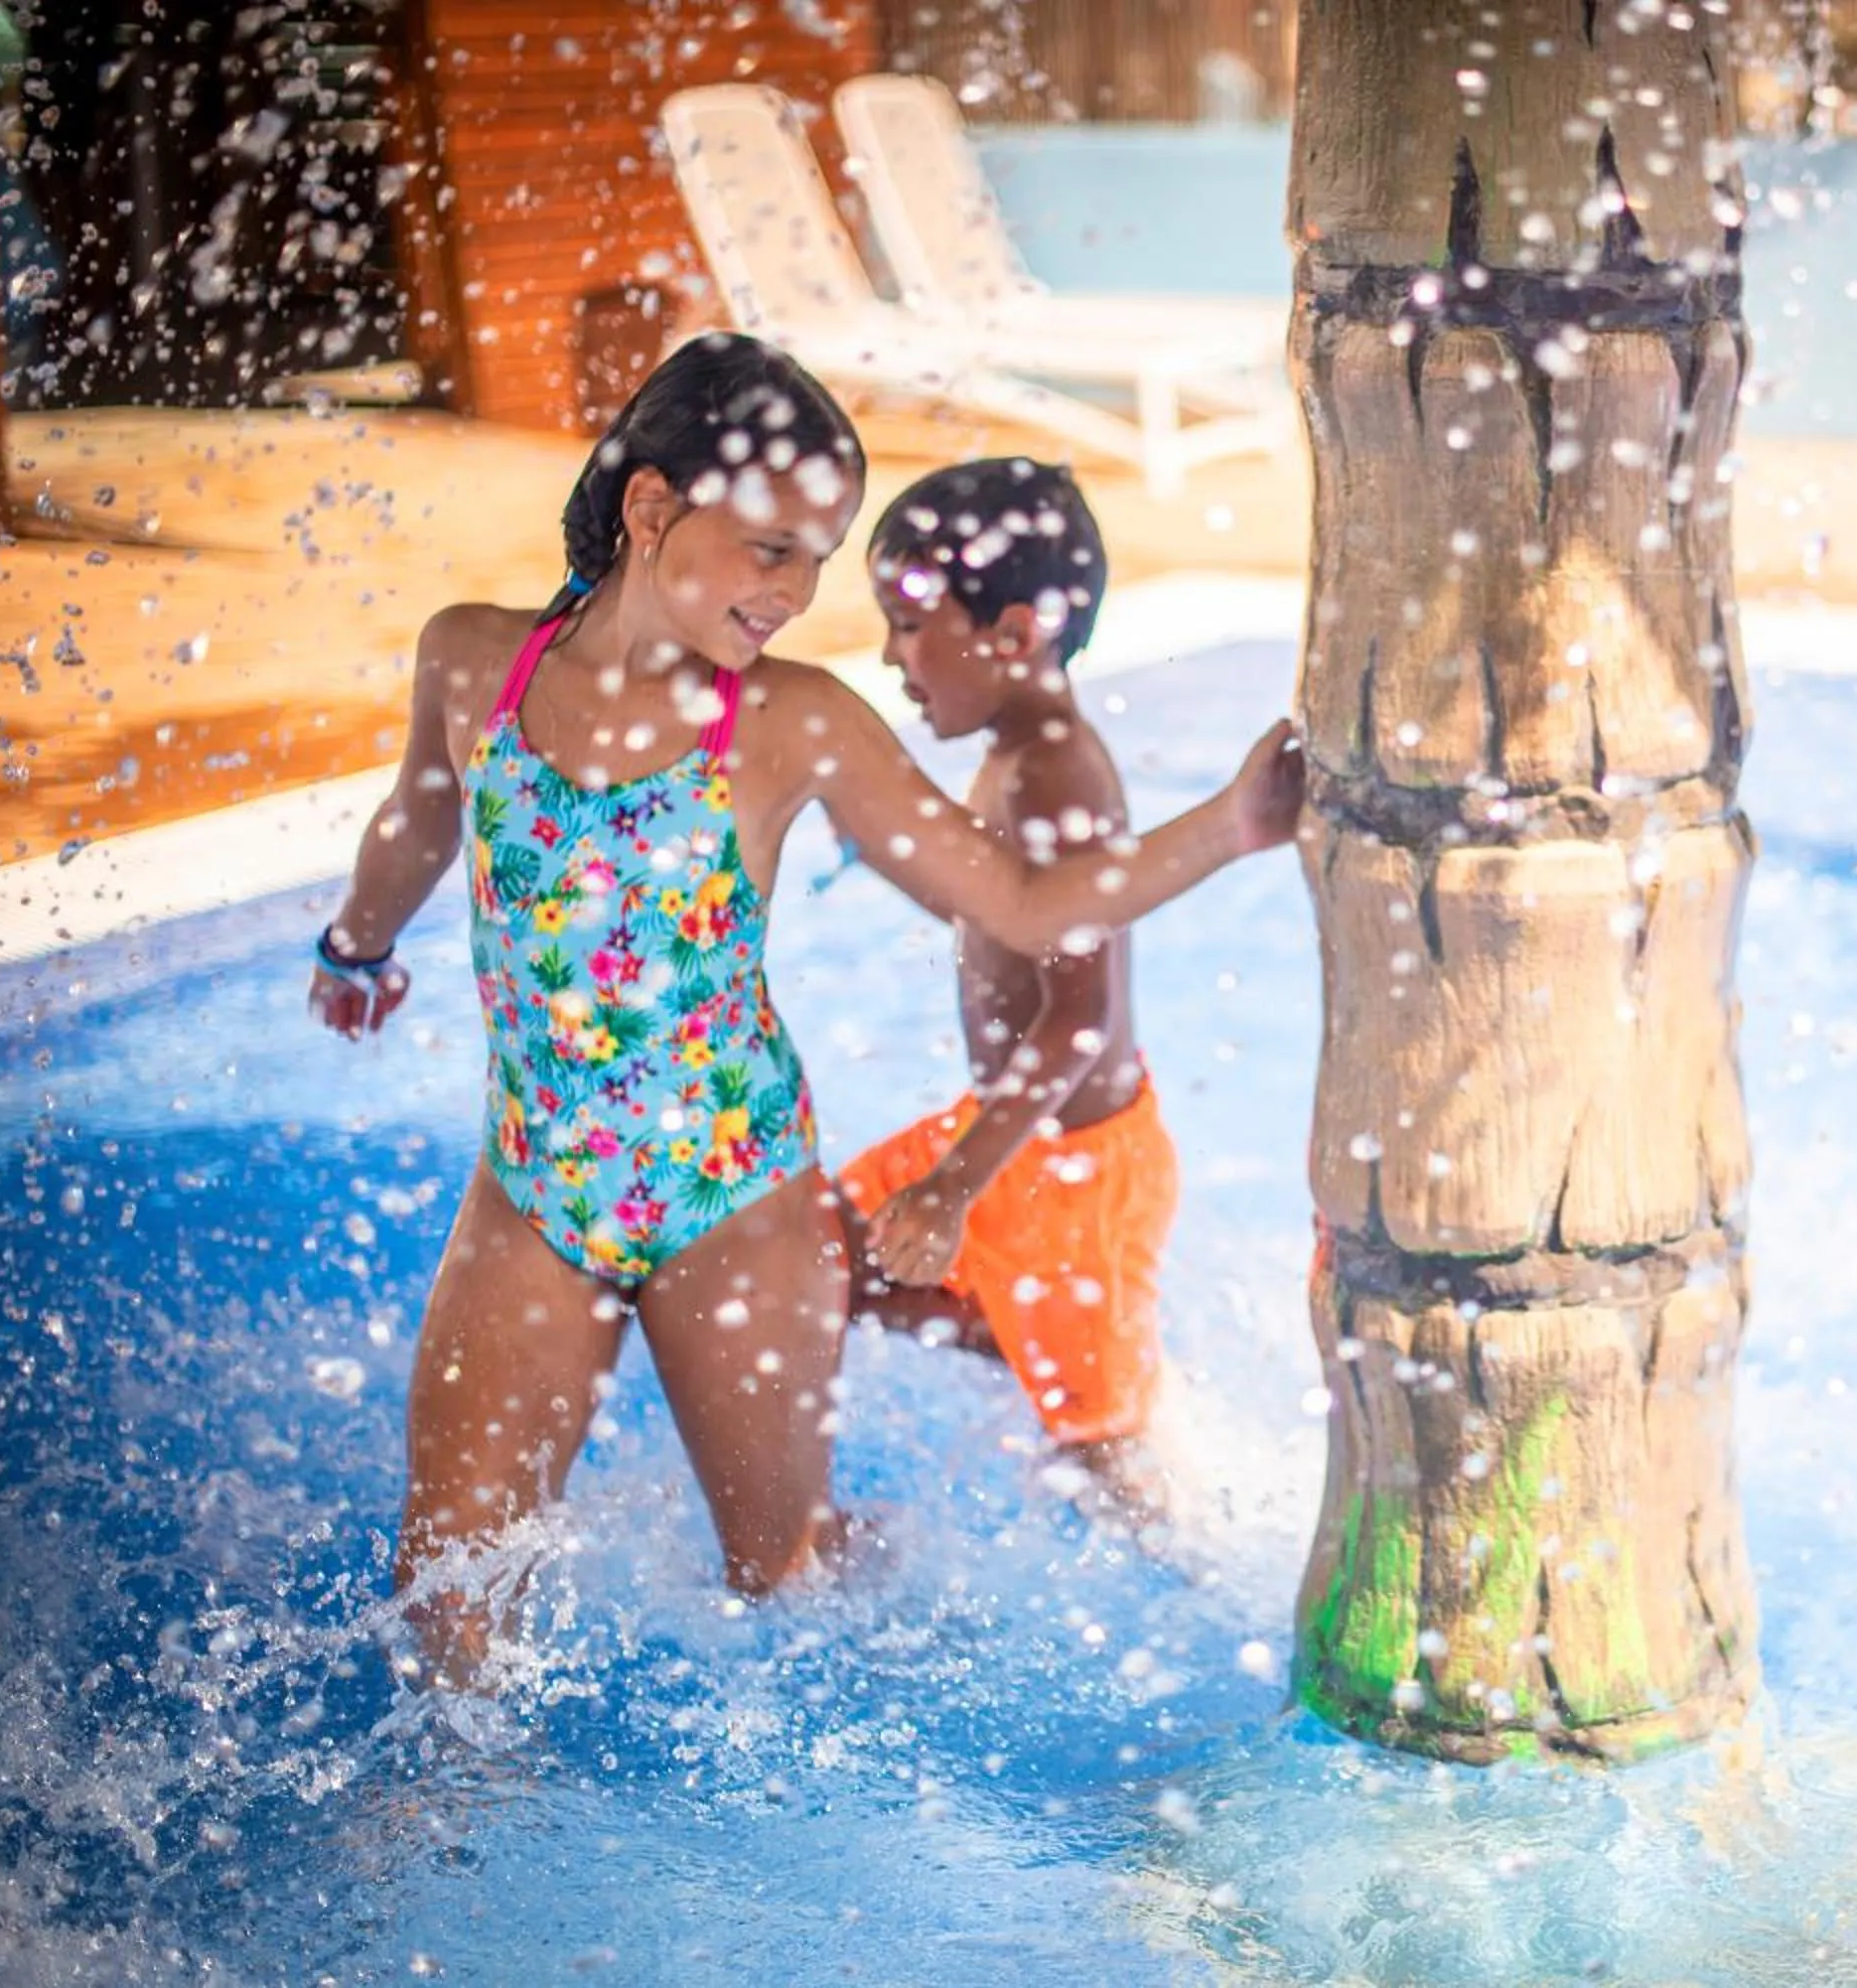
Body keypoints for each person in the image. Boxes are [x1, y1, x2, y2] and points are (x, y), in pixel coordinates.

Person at [303, 336, 1302, 1679]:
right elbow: (422, 812)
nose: (799, 590)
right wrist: (357, 943)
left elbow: (1020, 900)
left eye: (818, 557)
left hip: (736, 1201)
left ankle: (916, 1593)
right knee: (445, 1593)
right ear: (653, 507)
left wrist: (1232, 827)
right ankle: (451, 1821)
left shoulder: (793, 721)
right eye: (773, 547)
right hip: (533, 1188)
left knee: (779, 1583)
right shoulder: (475, 659)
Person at [830, 463, 1185, 1499]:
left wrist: (950, 1186)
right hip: (1007, 1137)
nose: (893, 656)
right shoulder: (1014, 751)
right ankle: (996, 1322)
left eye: (908, 623)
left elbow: (1081, 1014)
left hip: (1070, 1172)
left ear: (1015, 635)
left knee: (1109, 1468)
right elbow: (990, 916)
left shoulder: (1057, 772)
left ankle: (1195, 1544)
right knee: (816, 1257)